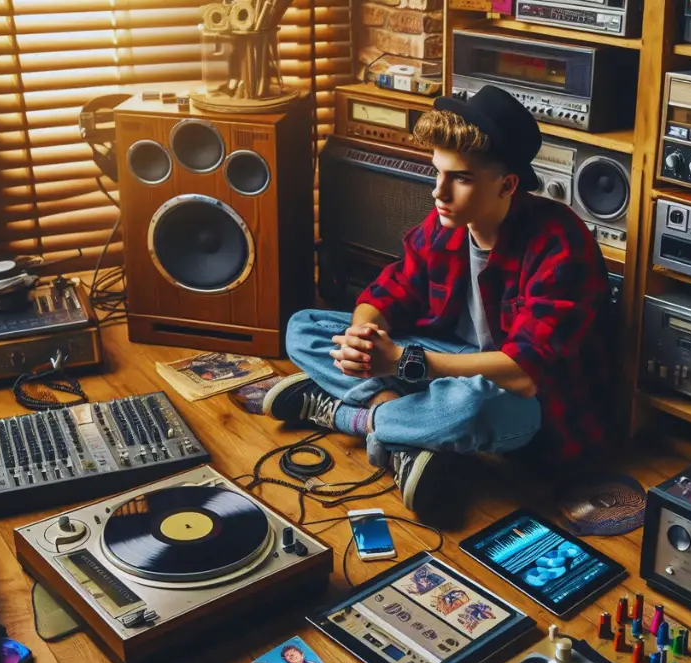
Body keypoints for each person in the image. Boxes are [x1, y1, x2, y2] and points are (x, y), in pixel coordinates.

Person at [261, 85, 613, 513]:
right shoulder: (445, 223)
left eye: (460, 178)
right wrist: (362, 337)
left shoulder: (560, 243)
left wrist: (402, 362)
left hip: (524, 398)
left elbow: (523, 373)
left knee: (472, 407)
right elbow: (388, 292)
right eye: (437, 172)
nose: (438, 192)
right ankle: (409, 430)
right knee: (304, 328)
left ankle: (350, 417)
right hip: (443, 363)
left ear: (508, 184)